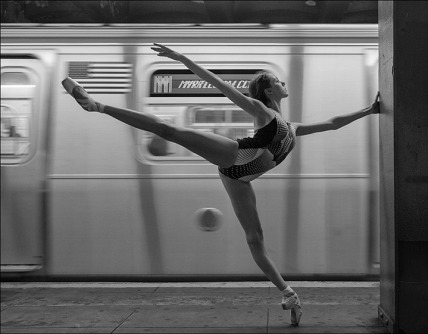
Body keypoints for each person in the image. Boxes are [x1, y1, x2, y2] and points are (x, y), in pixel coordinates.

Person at [62, 43, 380, 327]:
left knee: (255, 241)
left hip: (237, 178)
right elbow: (220, 85)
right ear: (269, 91)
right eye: (279, 81)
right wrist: (181, 57)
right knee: (168, 130)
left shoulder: (293, 127)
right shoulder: (262, 111)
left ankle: (289, 294)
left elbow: (333, 122)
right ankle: (95, 105)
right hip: (233, 154)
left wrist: (369, 110)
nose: (285, 84)